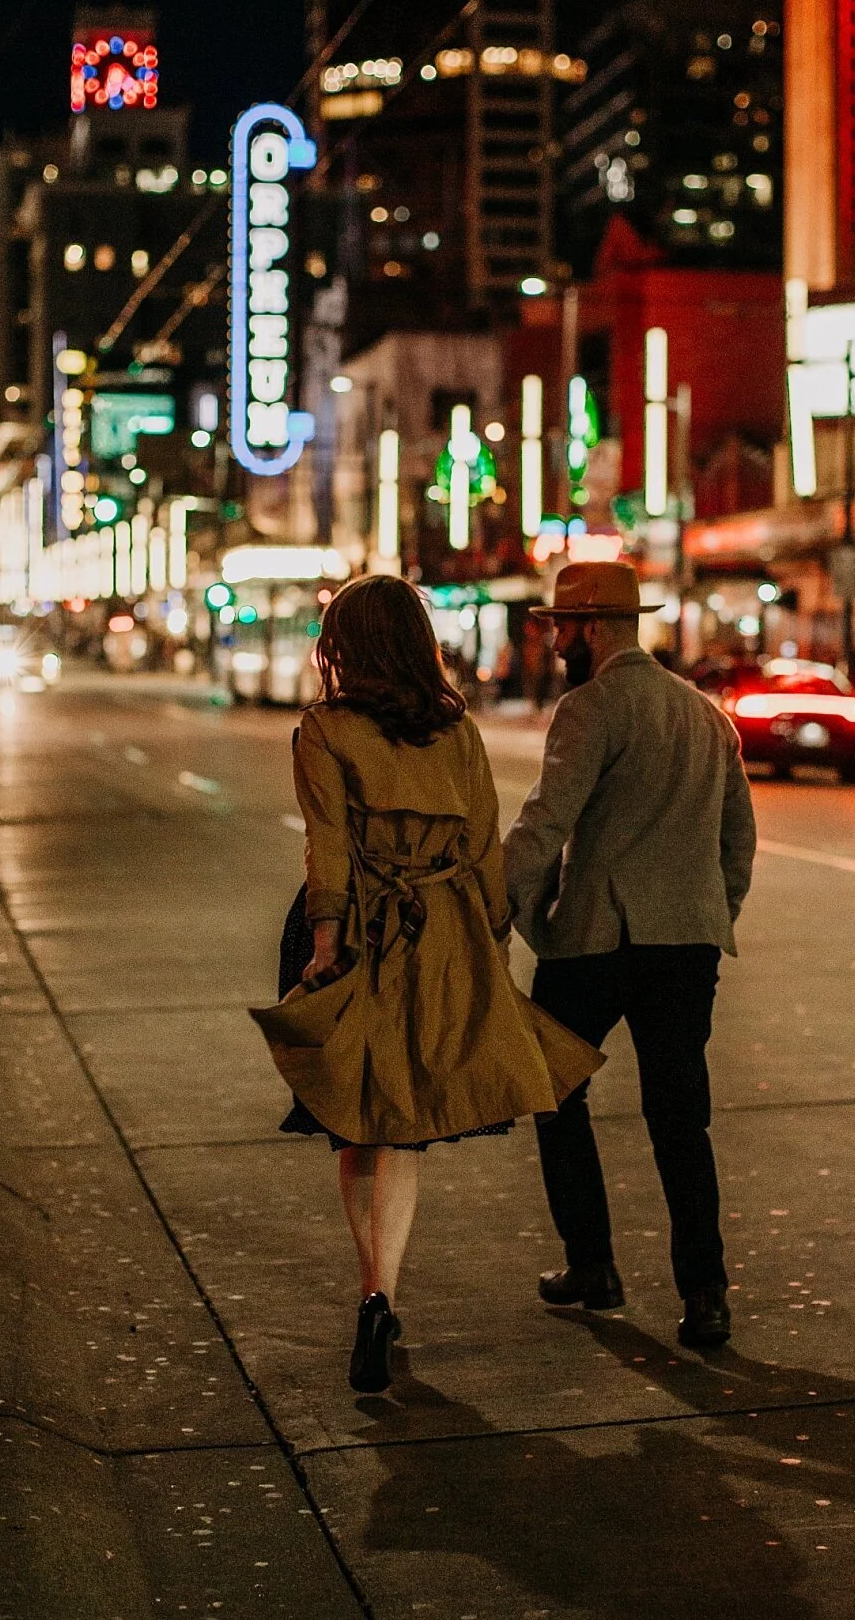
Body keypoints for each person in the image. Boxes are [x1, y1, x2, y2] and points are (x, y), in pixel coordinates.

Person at [251, 574, 604, 1395]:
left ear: (343, 645)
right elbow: (485, 844)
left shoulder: (325, 729)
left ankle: (369, 1291)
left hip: (360, 928)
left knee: (352, 1114)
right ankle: (386, 1294)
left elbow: (328, 844)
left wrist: (327, 942)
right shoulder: (457, 730)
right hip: (440, 929)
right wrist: (486, 937)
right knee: (404, 1121)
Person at [503, 561, 757, 1352]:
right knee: (682, 1119)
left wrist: (506, 909)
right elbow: (737, 841)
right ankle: (705, 1295)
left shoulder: (591, 707)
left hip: (597, 941)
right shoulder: (704, 712)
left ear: (591, 627)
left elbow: (547, 824)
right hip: (686, 944)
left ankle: (593, 1265)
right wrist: (710, 912)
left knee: (552, 1087)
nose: (551, 640)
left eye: (558, 626)